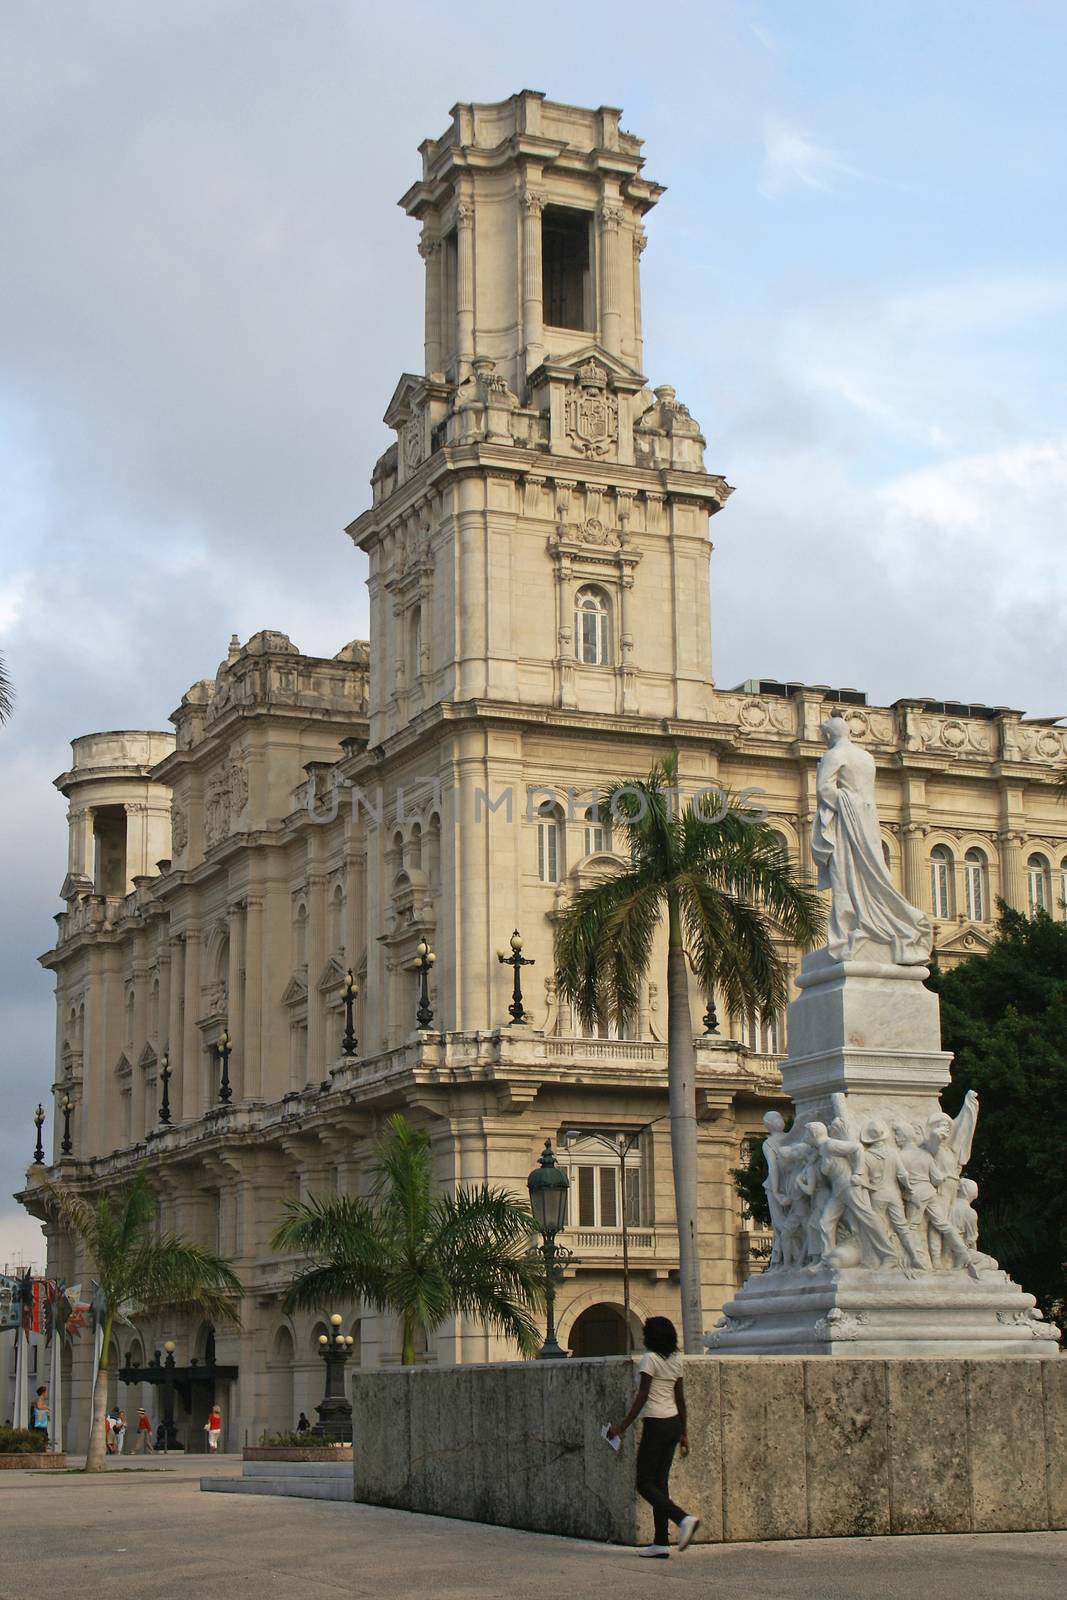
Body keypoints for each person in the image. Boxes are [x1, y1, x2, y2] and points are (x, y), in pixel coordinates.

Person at [607, 1317, 700, 1558]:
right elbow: (680, 1399)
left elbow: (643, 1395)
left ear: (652, 1337)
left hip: (656, 1424)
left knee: (644, 1483)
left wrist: (622, 1426)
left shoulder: (650, 1359)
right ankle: (661, 1542)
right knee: (660, 1483)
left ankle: (683, 1519)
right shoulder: (675, 1361)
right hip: (673, 1424)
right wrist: (684, 1432)